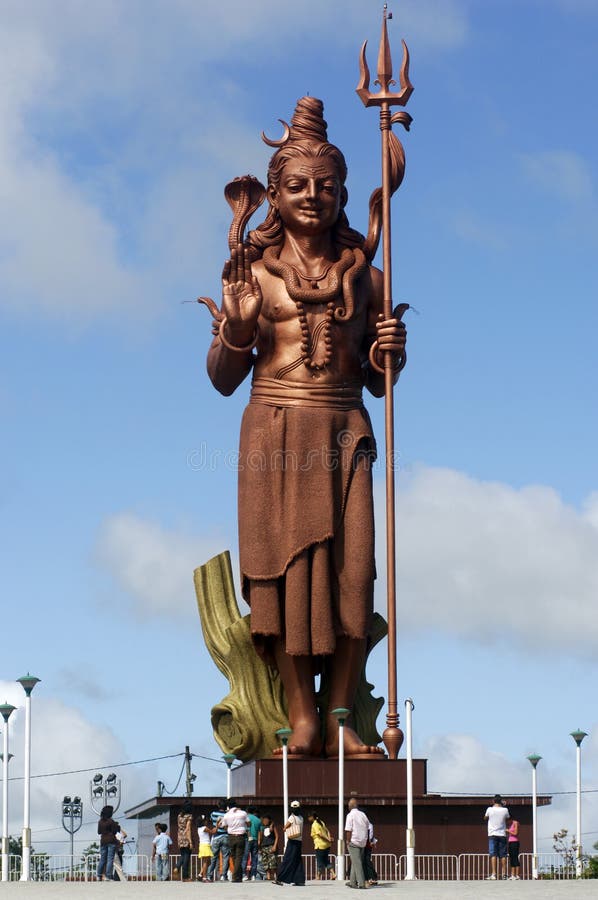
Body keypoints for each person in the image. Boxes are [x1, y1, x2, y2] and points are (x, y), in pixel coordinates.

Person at [206, 96, 407, 759]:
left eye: (326, 185)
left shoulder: (370, 278)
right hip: (275, 432)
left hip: (345, 428)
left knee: (353, 573)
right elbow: (221, 377)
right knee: (285, 577)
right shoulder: (253, 275)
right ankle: (302, 713)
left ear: (345, 193)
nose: (312, 196)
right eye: (297, 185)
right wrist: (235, 331)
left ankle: (343, 712)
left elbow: (379, 382)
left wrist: (390, 354)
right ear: (274, 193)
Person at [275, 800, 305, 886]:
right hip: (299, 841)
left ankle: (280, 879)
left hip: (292, 841)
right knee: (297, 860)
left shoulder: (292, 817)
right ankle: (299, 880)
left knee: (287, 859)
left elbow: (285, 828)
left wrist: (286, 829)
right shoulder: (301, 818)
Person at [219, 799, 249, 883]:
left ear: (228, 806)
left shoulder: (226, 815)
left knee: (234, 857)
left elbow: (224, 826)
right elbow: (249, 823)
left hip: (231, 837)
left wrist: (230, 828)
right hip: (241, 836)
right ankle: (236, 876)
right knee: (239, 857)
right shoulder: (243, 813)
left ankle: (237, 876)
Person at [344, 797, 370, 889]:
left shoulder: (350, 815)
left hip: (354, 842)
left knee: (357, 863)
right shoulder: (363, 815)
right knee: (356, 861)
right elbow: (368, 826)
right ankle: (352, 882)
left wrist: (348, 841)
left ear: (350, 806)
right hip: (362, 841)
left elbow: (348, 830)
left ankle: (362, 883)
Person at [484, 794, 510, 880]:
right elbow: (508, 817)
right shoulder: (505, 810)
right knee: (503, 855)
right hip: (502, 834)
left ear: (493, 801)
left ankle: (494, 874)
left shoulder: (489, 809)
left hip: (492, 834)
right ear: (501, 801)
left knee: (493, 854)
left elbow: (485, 817)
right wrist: (503, 805)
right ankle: (504, 874)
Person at [208, 799, 230, 881]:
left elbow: (211, 820)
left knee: (213, 857)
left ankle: (209, 875)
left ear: (218, 805)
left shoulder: (213, 814)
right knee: (225, 857)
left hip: (216, 837)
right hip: (226, 836)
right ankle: (223, 875)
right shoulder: (228, 814)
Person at [308, 812, 335, 880]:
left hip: (320, 845)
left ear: (312, 817)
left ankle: (318, 877)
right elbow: (327, 831)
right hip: (327, 845)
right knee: (325, 860)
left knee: (320, 861)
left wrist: (327, 839)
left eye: (309, 817)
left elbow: (320, 834)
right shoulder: (321, 822)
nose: (308, 818)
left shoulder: (314, 824)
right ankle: (333, 874)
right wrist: (329, 839)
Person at [96, 804, 118, 881]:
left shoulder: (100, 822)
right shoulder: (111, 821)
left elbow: (99, 832)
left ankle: (99, 875)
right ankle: (108, 876)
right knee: (110, 859)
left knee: (102, 859)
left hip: (103, 841)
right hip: (111, 840)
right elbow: (115, 832)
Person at [242, 805, 262, 881]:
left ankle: (244, 874)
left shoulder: (245, 819)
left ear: (247, 811)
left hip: (247, 839)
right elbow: (260, 832)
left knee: (245, 857)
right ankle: (253, 875)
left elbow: (245, 829)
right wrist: (259, 841)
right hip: (256, 839)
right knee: (254, 858)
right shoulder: (258, 820)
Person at [176, 800, 194, 882]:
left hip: (180, 836)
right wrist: (190, 841)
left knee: (182, 854)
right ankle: (185, 876)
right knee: (186, 857)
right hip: (186, 837)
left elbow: (180, 827)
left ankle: (177, 866)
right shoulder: (189, 816)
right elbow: (188, 829)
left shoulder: (179, 815)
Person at [259, 814, 279, 881]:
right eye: (264, 820)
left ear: (269, 820)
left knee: (273, 862)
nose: (265, 821)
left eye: (266, 820)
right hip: (264, 846)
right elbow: (261, 838)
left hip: (271, 845)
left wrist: (275, 846)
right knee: (265, 863)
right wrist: (260, 847)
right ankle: (268, 877)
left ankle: (274, 876)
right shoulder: (262, 827)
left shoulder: (272, 827)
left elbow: (277, 836)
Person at [197, 813, 214, 881]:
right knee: (205, 862)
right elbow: (213, 831)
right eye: (205, 820)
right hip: (205, 845)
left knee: (208, 862)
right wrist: (218, 826)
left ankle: (200, 874)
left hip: (202, 845)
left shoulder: (199, 828)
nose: (206, 821)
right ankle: (204, 877)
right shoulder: (204, 828)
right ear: (203, 821)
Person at [363, 816, 378, 886]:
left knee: (365, 861)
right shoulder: (369, 824)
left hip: (364, 845)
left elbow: (370, 837)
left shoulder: (367, 825)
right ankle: (371, 878)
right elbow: (371, 837)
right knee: (367, 861)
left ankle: (370, 878)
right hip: (367, 845)